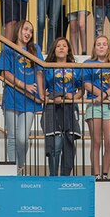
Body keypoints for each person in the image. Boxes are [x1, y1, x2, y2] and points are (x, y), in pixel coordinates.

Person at [0, 20, 45, 172]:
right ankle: (13, 173)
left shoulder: (35, 49)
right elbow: (4, 72)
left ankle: (20, 166)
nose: (28, 33)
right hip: (12, 96)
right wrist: (23, 85)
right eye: (25, 29)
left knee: (22, 138)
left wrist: (41, 94)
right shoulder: (8, 48)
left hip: (29, 100)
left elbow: (40, 71)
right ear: (18, 30)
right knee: (12, 137)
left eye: (30, 31)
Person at [83, 36, 110, 180]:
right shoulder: (88, 63)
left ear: (108, 47)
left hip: (109, 106)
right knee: (96, 141)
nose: (101, 46)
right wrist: (103, 96)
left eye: (104, 44)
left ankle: (105, 174)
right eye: (98, 44)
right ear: (94, 47)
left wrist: (105, 95)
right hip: (94, 105)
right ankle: (95, 174)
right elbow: (87, 84)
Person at [42, 37, 83, 176]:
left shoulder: (75, 68)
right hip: (53, 108)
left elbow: (81, 89)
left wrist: (74, 97)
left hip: (70, 108)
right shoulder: (47, 68)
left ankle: (65, 177)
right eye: (58, 45)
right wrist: (51, 97)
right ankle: (53, 176)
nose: (61, 48)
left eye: (64, 46)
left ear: (68, 50)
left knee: (69, 142)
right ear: (54, 49)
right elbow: (43, 89)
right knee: (56, 143)